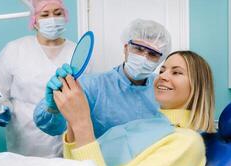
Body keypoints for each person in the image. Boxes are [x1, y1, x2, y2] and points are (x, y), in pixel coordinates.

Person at [51, 50, 215, 166]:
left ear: (198, 87)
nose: (163, 76)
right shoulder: (152, 124)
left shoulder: (187, 143)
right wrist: (72, 119)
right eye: (162, 70)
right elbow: (78, 163)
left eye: (177, 72)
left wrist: (82, 122)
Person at [33, 18, 172, 138]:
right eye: (139, 49)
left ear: (160, 60)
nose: (144, 58)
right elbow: (54, 129)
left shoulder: (164, 88)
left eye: (152, 54)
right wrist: (53, 109)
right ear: (126, 48)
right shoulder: (92, 86)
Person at [0, 0, 76, 157]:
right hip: (25, 137)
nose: (53, 19)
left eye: (58, 13)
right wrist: (1, 109)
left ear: (65, 16)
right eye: (45, 14)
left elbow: (87, 94)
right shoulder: (15, 49)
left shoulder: (76, 51)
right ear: (34, 21)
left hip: (65, 136)